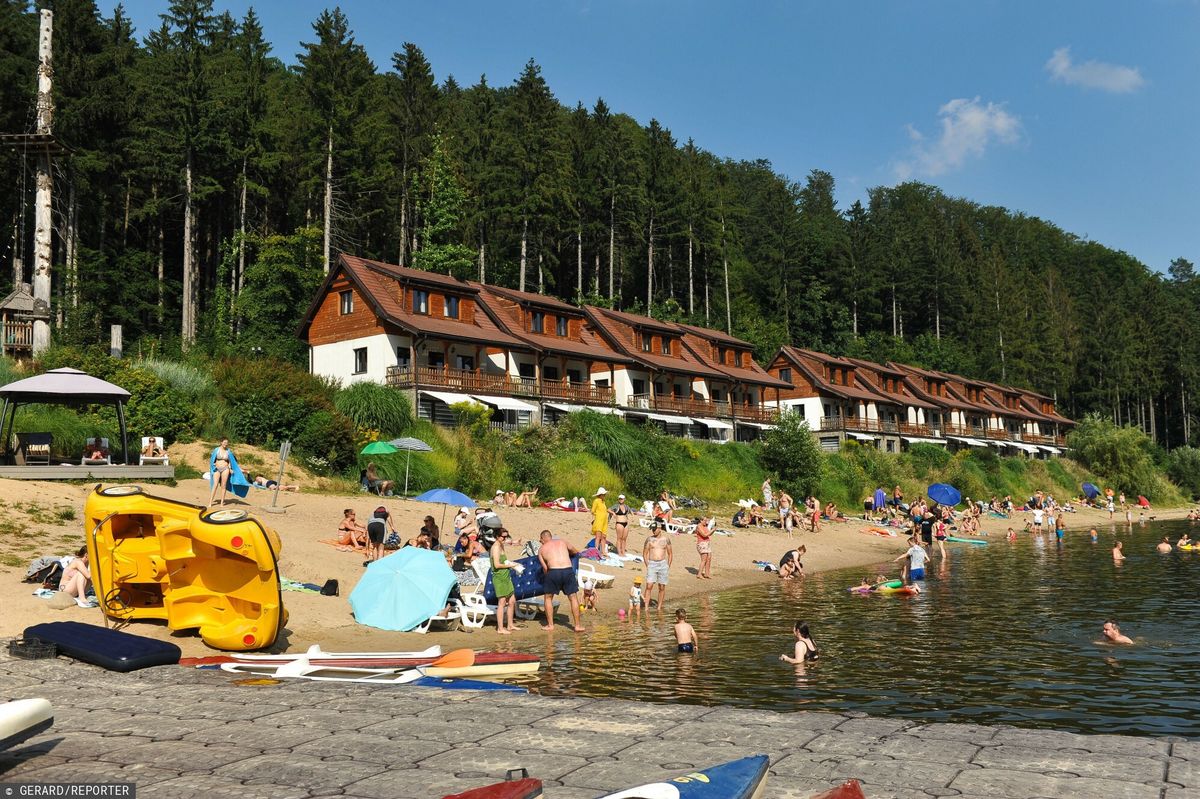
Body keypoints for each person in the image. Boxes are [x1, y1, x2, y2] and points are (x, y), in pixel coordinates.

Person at [537, 530, 584, 632]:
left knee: (548, 598)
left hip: (553, 571)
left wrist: (549, 577)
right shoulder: (562, 542)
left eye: (540, 540)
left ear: (543, 538)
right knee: (573, 597)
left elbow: (545, 569)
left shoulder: (541, 550)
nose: (540, 542)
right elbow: (575, 551)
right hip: (567, 570)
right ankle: (577, 626)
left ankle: (550, 625)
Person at [489, 528, 519, 634]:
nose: (505, 538)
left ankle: (510, 625)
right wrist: (510, 565)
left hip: (506, 576)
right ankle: (500, 628)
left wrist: (514, 542)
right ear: (497, 537)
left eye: (506, 536)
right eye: (503, 537)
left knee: (512, 601)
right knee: (502, 602)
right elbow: (496, 565)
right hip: (499, 578)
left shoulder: (501, 544)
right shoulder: (496, 547)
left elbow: (509, 543)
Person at [642, 521, 673, 609]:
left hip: (663, 564)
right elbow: (645, 553)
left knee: (662, 586)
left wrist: (668, 565)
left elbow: (670, 553)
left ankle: (659, 607)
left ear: (659, 529)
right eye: (652, 529)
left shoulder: (666, 539)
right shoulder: (649, 539)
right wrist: (647, 564)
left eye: (655, 529)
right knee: (649, 585)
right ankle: (646, 607)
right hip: (652, 563)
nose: (653, 531)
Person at [209, 438, 234, 506]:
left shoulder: (228, 451)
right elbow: (212, 459)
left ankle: (222, 502)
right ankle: (210, 502)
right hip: (217, 469)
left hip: (225, 469)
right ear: (221, 442)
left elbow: (230, 461)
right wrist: (213, 467)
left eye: (227, 442)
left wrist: (230, 468)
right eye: (224, 442)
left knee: (224, 485)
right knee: (215, 484)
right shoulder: (216, 450)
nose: (226, 444)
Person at [590, 487, 610, 556]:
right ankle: (596, 550)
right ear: (600, 494)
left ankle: (603, 551)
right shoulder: (596, 501)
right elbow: (592, 511)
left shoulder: (603, 502)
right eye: (604, 494)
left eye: (605, 494)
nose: (605, 496)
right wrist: (598, 515)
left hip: (604, 521)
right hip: (599, 521)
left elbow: (604, 511)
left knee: (604, 536)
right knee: (598, 536)